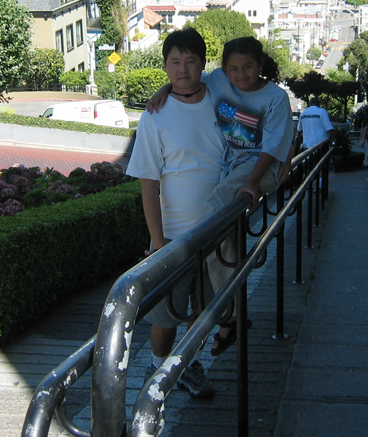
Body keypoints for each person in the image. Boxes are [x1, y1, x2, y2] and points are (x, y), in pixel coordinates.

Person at [148, 36, 294, 358]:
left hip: (257, 168)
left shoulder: (275, 97)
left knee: (212, 220)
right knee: (224, 240)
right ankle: (233, 314)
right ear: (223, 68)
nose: (240, 75)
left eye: (248, 68)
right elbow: (185, 77)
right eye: (233, 68)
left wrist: (252, 183)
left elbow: (271, 145)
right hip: (234, 168)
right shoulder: (217, 80)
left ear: (261, 65)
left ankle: (229, 314)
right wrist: (164, 91)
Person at [125, 28, 225, 399]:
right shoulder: (154, 117)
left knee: (203, 309)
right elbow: (148, 183)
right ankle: (157, 365)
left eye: (190, 61)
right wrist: (158, 241)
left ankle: (187, 364)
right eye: (175, 62)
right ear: (165, 66)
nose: (183, 69)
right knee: (166, 315)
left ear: (203, 65)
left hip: (218, 230)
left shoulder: (219, 99)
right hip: (174, 239)